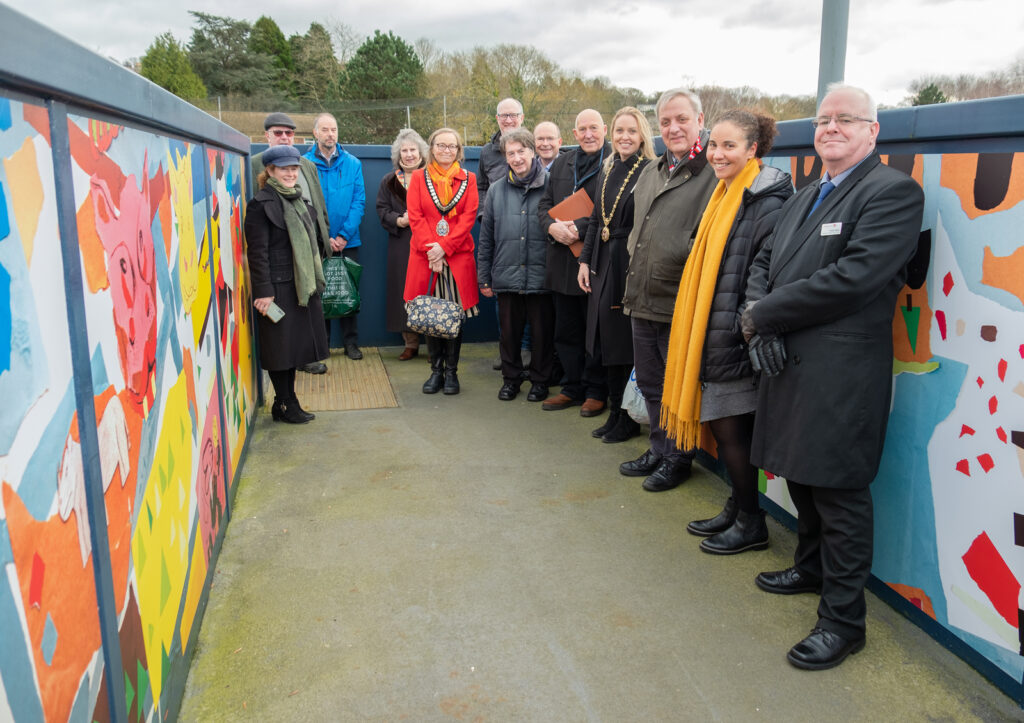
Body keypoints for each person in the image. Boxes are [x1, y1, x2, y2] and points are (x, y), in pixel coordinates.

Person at [743, 84, 925, 670]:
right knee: (799, 475)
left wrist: (764, 316)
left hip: (841, 374)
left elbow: (855, 278)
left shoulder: (893, 192)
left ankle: (843, 622)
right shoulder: (804, 193)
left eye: (847, 119)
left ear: (874, 132)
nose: (832, 128)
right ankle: (812, 566)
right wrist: (759, 324)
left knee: (840, 493)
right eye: (824, 120)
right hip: (788, 362)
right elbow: (765, 264)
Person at [660, 110, 793, 554]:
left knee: (732, 431)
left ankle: (752, 523)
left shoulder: (765, 202)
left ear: (753, 149)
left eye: (729, 145)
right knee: (725, 430)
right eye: (714, 145)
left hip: (733, 336)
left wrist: (740, 330)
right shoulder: (724, 193)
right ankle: (738, 507)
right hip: (714, 329)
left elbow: (763, 276)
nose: (717, 154)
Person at [617, 89, 717, 492]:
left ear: (699, 118)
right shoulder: (652, 171)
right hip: (643, 296)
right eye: (666, 121)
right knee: (653, 383)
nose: (673, 128)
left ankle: (678, 457)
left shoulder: (712, 169)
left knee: (679, 386)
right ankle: (659, 448)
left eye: (681, 119)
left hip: (681, 299)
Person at [577, 107, 656, 443]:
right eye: (620, 131)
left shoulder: (650, 171)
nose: (625, 137)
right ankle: (614, 411)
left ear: (642, 136)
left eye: (632, 131)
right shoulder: (608, 169)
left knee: (624, 343)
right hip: (602, 262)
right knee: (603, 340)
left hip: (628, 262)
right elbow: (596, 221)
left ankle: (628, 418)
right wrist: (584, 261)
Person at [245, 145, 329, 423]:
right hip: (277, 289)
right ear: (270, 171)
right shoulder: (260, 204)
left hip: (299, 287)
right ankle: (284, 403)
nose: (291, 173)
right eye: (284, 168)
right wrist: (264, 292)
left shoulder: (298, 199)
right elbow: (257, 253)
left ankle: (288, 401)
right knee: (279, 350)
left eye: (294, 168)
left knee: (294, 348)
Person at [537, 108, 611, 417]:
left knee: (594, 330)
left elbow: (616, 210)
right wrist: (551, 227)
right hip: (561, 258)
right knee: (565, 329)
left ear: (604, 130)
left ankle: (596, 390)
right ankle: (572, 387)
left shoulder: (614, 162)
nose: (589, 134)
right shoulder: (564, 162)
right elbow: (544, 204)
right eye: (583, 129)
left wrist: (580, 227)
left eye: (594, 127)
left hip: (595, 258)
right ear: (575, 133)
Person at [477, 128, 554, 402]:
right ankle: (510, 380)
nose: (517, 157)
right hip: (506, 275)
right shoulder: (496, 190)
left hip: (541, 277)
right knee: (508, 335)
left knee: (542, 336)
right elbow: (486, 238)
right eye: (511, 153)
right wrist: (484, 277)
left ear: (533, 152)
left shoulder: (552, 185)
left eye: (522, 151)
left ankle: (540, 381)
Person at [252, 112, 331, 374]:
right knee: (283, 334)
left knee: (306, 320)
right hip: (281, 265)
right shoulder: (253, 165)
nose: (285, 137)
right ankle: (286, 393)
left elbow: (317, 203)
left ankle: (305, 359)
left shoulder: (305, 164)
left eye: (289, 133)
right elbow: (257, 244)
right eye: (278, 132)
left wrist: (325, 234)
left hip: (307, 256)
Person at [405, 128, 480, 395]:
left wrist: (444, 248)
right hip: (425, 257)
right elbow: (415, 217)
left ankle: (452, 373)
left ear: (459, 150)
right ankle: (435, 372)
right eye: (441, 145)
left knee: (453, 316)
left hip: (456, 256)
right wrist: (432, 251)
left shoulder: (469, 179)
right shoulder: (417, 178)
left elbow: (468, 218)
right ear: (432, 148)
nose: (446, 150)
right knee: (430, 314)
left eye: (452, 146)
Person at [304, 113, 366, 360]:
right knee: (320, 294)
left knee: (348, 291)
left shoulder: (353, 163)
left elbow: (359, 202)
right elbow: (304, 201)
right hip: (316, 241)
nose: (330, 134)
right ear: (315, 133)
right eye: (325, 130)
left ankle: (351, 344)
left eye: (334, 130)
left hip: (347, 241)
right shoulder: (304, 163)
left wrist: (342, 235)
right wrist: (323, 237)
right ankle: (323, 344)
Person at [376, 128, 428, 361]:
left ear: (421, 152)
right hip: (401, 244)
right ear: (398, 154)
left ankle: (434, 345)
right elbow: (381, 209)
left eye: (412, 150)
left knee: (430, 290)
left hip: (428, 243)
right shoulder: (389, 181)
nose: (408, 155)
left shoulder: (432, 178)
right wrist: (399, 220)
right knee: (403, 292)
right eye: (404, 150)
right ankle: (411, 343)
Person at [478, 97, 525, 204]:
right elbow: (482, 187)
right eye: (504, 116)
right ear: (497, 118)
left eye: (513, 115)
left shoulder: (533, 148)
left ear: (522, 118)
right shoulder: (487, 152)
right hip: (496, 218)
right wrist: (484, 214)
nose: (508, 120)